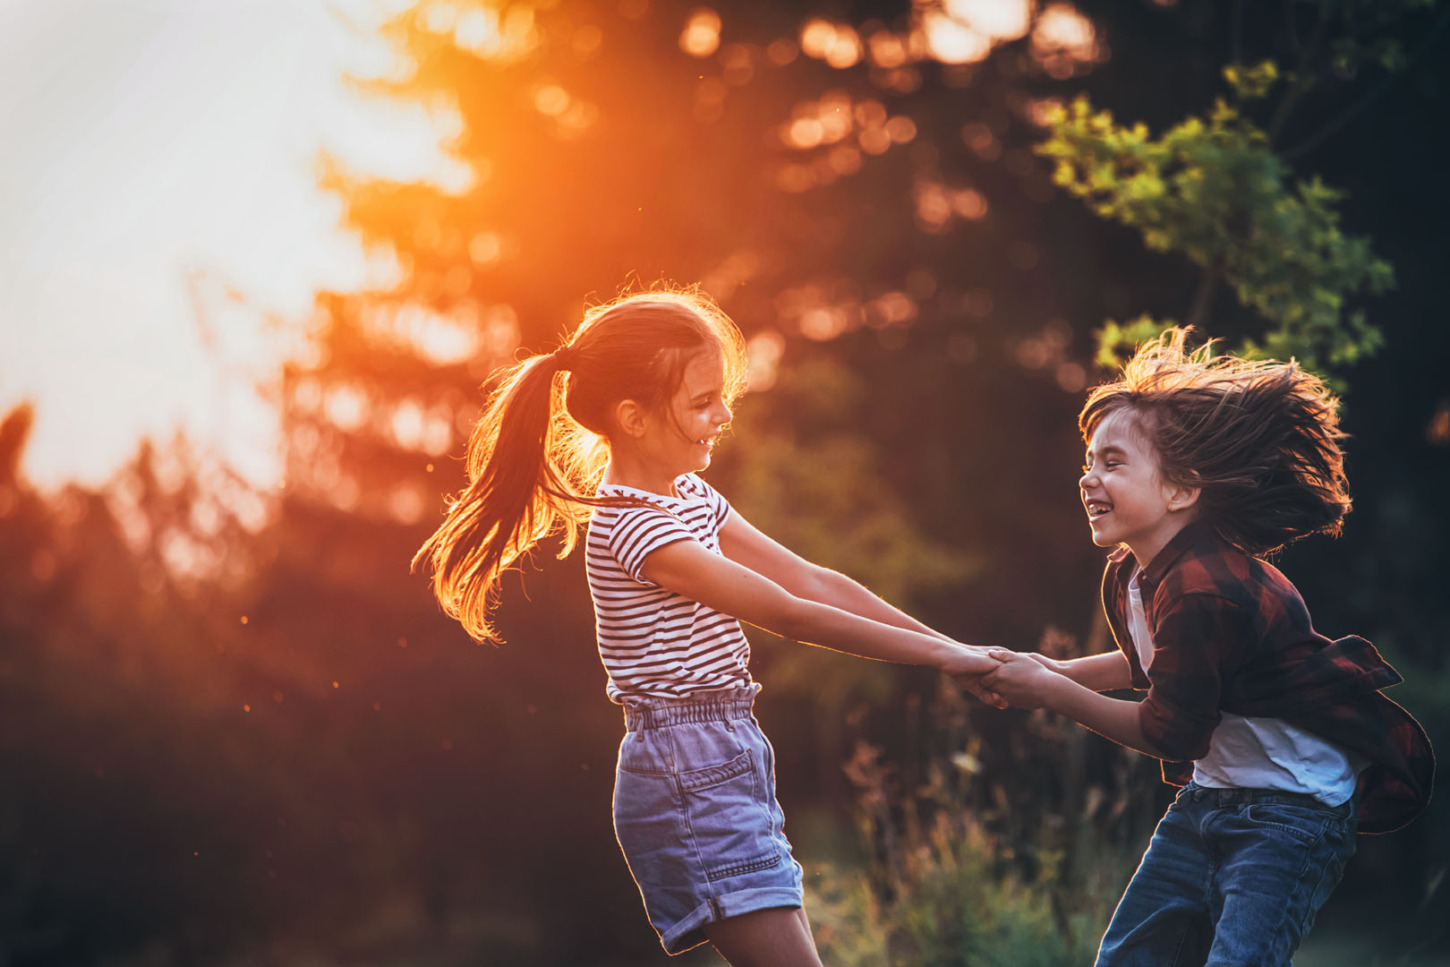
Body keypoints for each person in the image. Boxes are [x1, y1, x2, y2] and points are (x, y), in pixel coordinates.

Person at [413, 289, 1002, 964]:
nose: (723, 416)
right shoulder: (634, 528)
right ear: (633, 418)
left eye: (722, 396)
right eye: (702, 403)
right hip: (684, 770)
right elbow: (789, 612)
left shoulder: (690, 495)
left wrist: (956, 648)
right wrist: (945, 661)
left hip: (727, 750)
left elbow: (812, 580)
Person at [980, 330, 1433, 967]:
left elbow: (1170, 730)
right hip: (1209, 798)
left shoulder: (1205, 590)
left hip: (1293, 811)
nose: (1088, 478)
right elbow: (1155, 665)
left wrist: (1053, 693)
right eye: (1088, 461)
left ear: (1181, 490)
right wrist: (1054, 670)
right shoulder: (1132, 571)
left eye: (1113, 463)